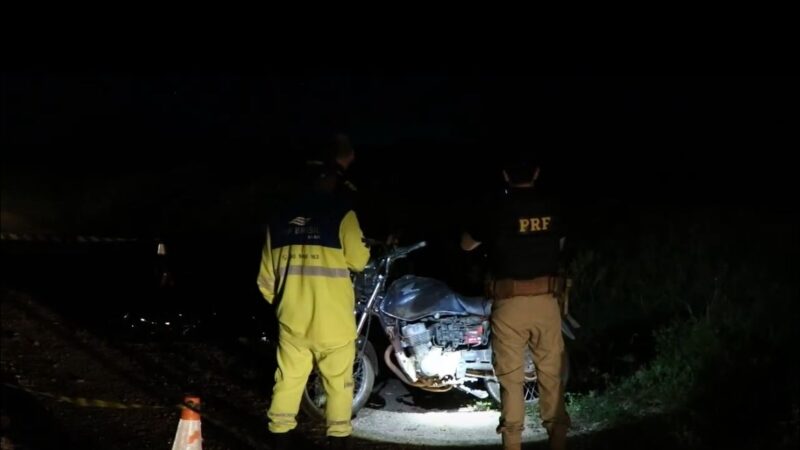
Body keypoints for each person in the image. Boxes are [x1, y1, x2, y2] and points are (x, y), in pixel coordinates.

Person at [257, 163, 371, 450]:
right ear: (330, 180)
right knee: (339, 385)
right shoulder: (342, 214)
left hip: (293, 322)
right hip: (334, 322)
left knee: (287, 382)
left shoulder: (278, 219)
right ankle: (338, 439)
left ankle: (280, 438)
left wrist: (286, 306)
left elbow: (265, 280)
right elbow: (359, 260)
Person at [461, 155, 570, 450]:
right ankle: (558, 440)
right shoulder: (552, 206)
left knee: (511, 380)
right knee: (551, 376)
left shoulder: (496, 208)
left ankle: (512, 443)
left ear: (505, 175)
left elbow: (466, 244)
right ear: (536, 172)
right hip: (547, 301)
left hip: (509, 305)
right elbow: (560, 244)